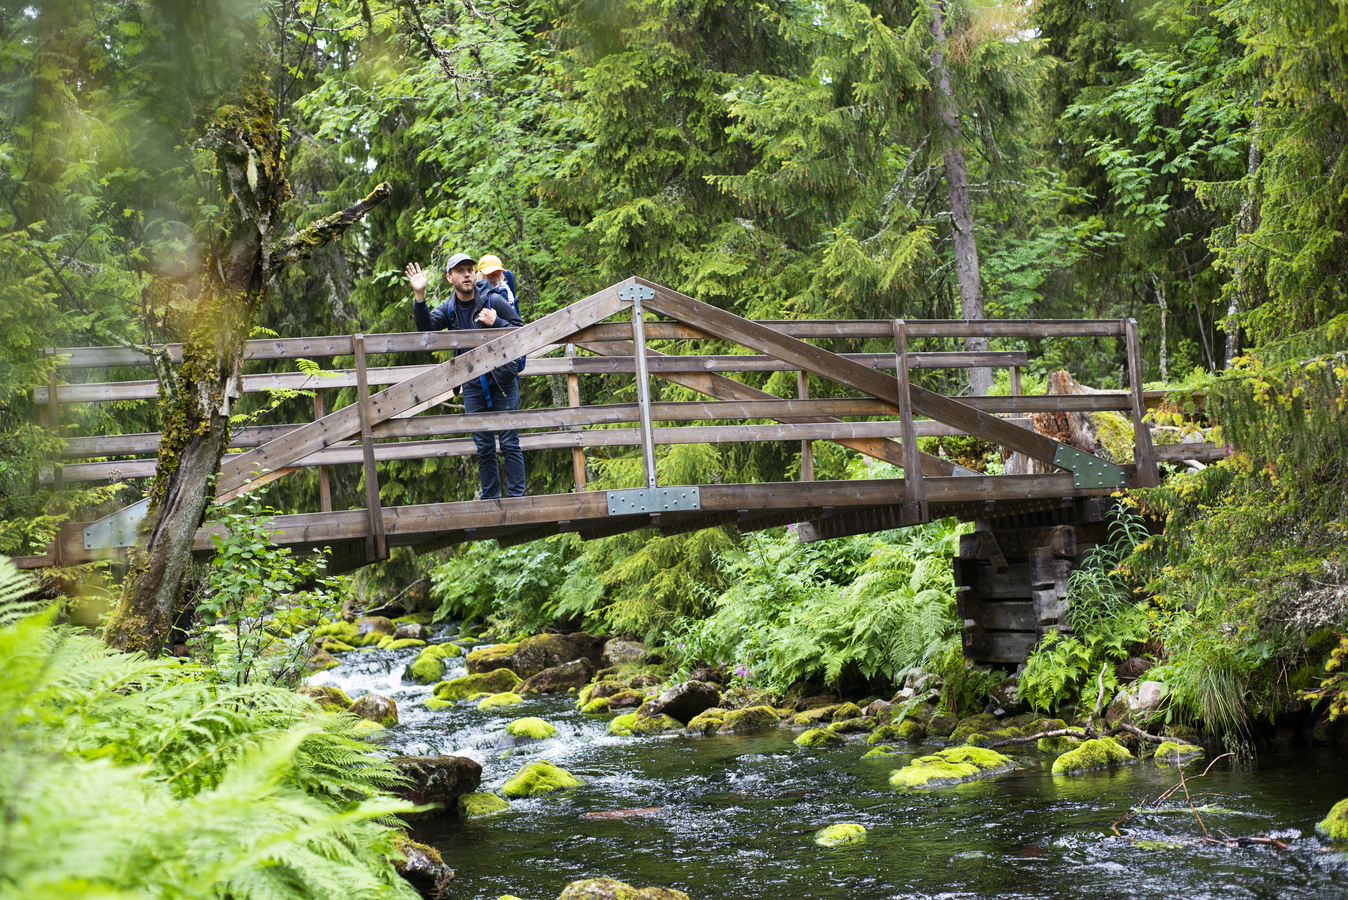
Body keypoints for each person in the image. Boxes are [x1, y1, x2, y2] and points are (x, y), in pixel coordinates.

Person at [405, 252, 526, 500]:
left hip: (503, 380)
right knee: (483, 447)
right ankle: (491, 501)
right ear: (450, 278)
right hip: (472, 386)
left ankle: (516, 500)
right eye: (460, 271)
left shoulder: (493, 300)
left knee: (509, 442)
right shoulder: (448, 308)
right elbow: (425, 331)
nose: (467, 274)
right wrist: (419, 295)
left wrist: (499, 323)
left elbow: (522, 332)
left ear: (475, 273)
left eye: (470, 269)